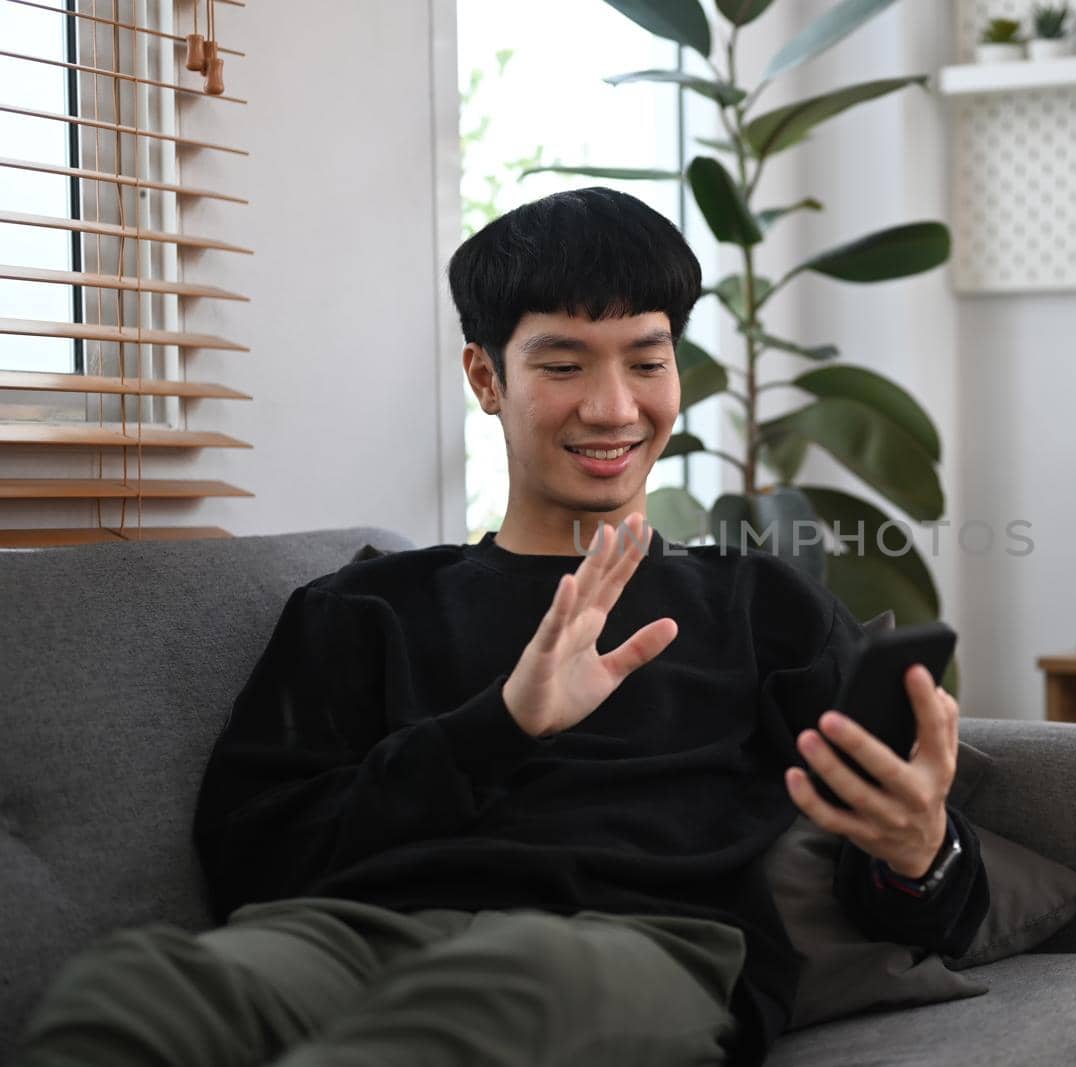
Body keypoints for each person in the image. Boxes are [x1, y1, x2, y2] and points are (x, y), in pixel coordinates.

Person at [15, 187, 988, 1067]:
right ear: (486, 377)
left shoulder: (757, 606)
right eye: (563, 364)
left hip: (638, 951)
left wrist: (920, 847)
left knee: (505, 993)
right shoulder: (365, 606)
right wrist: (498, 724)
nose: (613, 407)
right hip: (350, 936)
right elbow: (253, 860)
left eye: (645, 361)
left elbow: (938, 902)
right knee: (141, 990)